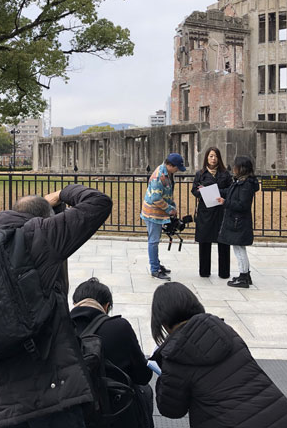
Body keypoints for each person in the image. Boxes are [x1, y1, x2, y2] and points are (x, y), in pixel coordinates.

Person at [0, 184, 112, 428]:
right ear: (46, 218)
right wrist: (61, 194)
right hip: (50, 383)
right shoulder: (41, 234)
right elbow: (98, 202)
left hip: (1, 387)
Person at [150, 282, 287, 428]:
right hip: (283, 418)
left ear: (163, 322)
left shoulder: (175, 356)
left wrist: (164, 375)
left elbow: (171, 410)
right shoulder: (224, 331)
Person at [70, 277, 154, 428]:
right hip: (116, 412)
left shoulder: (60, 329)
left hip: (73, 413)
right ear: (107, 306)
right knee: (145, 390)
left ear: (75, 303)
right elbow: (143, 376)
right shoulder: (119, 327)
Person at [216, 156, 260, 289]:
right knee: (239, 248)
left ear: (241, 168)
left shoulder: (246, 184)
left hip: (239, 222)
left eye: (235, 166)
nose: (233, 168)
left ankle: (244, 276)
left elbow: (242, 205)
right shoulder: (240, 182)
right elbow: (228, 192)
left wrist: (225, 203)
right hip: (236, 221)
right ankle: (244, 274)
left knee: (239, 249)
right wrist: (212, 191)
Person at [140, 153, 186, 281]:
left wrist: (173, 206)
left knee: (155, 240)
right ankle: (155, 269)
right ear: (170, 165)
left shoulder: (168, 174)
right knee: (153, 241)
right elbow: (155, 198)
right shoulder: (158, 176)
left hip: (159, 212)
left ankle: (157, 264)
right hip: (152, 213)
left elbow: (167, 193)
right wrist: (170, 209)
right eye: (177, 167)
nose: (178, 170)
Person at [191, 147, 233, 279]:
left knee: (223, 241)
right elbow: (194, 191)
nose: (213, 159)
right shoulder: (200, 174)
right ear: (206, 158)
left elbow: (230, 190)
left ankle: (224, 272)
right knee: (204, 241)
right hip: (206, 211)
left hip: (221, 211)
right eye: (210, 156)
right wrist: (202, 192)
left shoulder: (225, 174)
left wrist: (216, 191)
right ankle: (204, 271)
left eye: (215, 156)